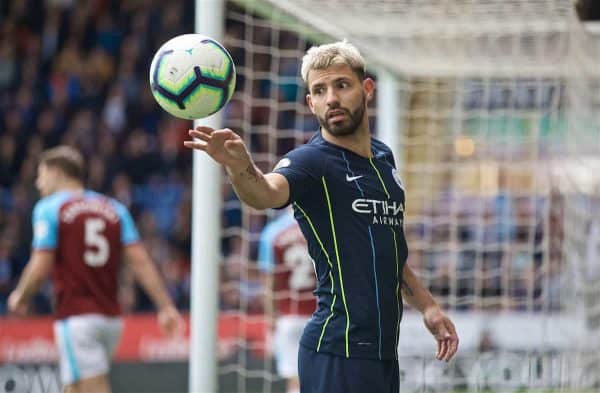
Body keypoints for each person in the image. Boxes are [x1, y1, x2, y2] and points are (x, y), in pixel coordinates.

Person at [184, 41, 459, 393]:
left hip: (380, 353)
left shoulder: (383, 158)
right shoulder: (311, 162)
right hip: (337, 348)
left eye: (341, 85)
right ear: (310, 103)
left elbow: (388, 253)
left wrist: (429, 307)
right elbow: (266, 193)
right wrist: (241, 169)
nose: (331, 98)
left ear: (367, 89)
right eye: (319, 90)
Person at [8, 146, 184, 393]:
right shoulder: (114, 208)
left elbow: (40, 265)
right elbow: (140, 261)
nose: (38, 183)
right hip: (111, 319)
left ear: (56, 172)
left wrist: (20, 296)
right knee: (75, 388)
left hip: (78, 318)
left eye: (41, 174)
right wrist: (165, 305)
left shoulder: (50, 209)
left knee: (92, 388)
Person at [258, 208, 316, 393]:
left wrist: (271, 320)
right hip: (322, 315)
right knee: (325, 377)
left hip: (289, 317)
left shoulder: (273, 232)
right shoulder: (320, 225)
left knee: (294, 380)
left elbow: (268, 284)